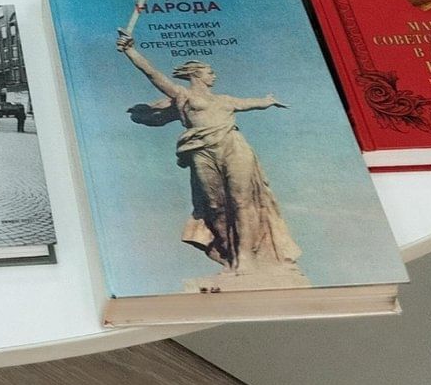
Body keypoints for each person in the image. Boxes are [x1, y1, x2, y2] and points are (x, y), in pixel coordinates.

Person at [116, 30, 301, 274]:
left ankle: (245, 256)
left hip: (233, 145)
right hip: (201, 150)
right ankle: (229, 252)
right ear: (196, 74)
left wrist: (267, 100)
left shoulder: (225, 100)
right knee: (215, 206)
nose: (214, 75)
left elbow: (252, 103)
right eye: (210, 71)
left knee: (242, 200)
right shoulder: (183, 95)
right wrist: (130, 50)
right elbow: (153, 74)